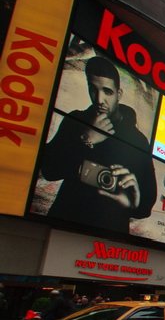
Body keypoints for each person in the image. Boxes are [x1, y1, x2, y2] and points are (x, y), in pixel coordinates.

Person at [39, 56, 157, 234]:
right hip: (63, 222)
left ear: (119, 94)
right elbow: (49, 170)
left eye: (107, 92)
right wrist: (87, 140)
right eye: (93, 89)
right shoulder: (75, 120)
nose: (99, 99)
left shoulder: (137, 140)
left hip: (111, 233)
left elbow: (145, 204)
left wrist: (133, 204)